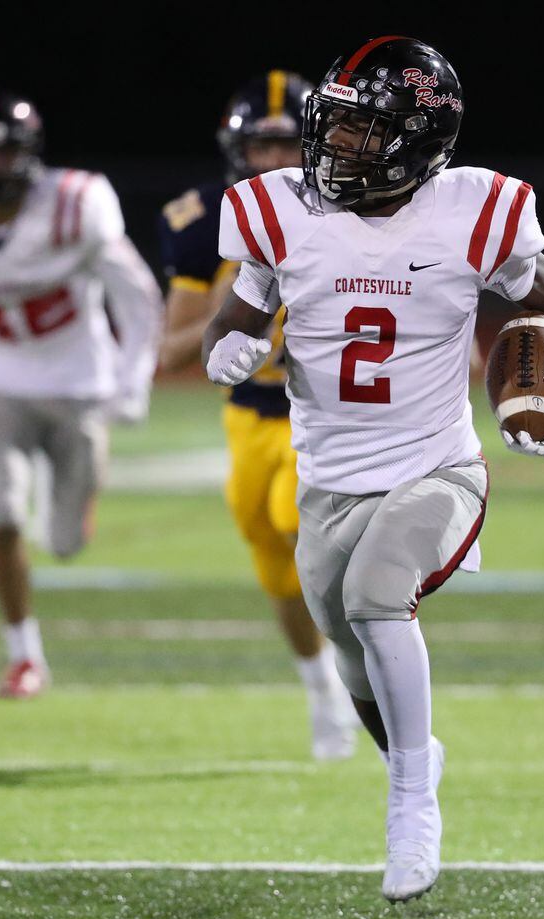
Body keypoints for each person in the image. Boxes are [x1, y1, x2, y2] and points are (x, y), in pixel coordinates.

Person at [202, 37, 544, 902]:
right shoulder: (281, 211)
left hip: (436, 469)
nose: (334, 144)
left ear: (418, 142)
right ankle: (414, 756)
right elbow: (232, 315)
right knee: (349, 650)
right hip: (328, 481)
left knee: (376, 596)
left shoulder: (472, 211)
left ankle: (412, 804)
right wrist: (228, 347)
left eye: (361, 130)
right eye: (334, 124)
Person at [0, 88, 162, 697]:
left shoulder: (76, 206)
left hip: (79, 383)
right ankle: (24, 656)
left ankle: (71, 503)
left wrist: (133, 379)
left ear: (26, 152)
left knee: (65, 543)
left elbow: (136, 295)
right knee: (1, 516)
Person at [155, 71, 358, 761]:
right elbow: (169, 352)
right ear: (235, 150)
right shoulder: (202, 221)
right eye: (260, 146)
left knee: (297, 519)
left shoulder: (352, 213)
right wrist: (241, 320)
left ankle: (363, 664)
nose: (272, 161)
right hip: (247, 416)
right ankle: (320, 688)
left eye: (285, 145)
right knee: (272, 562)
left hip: (324, 410)